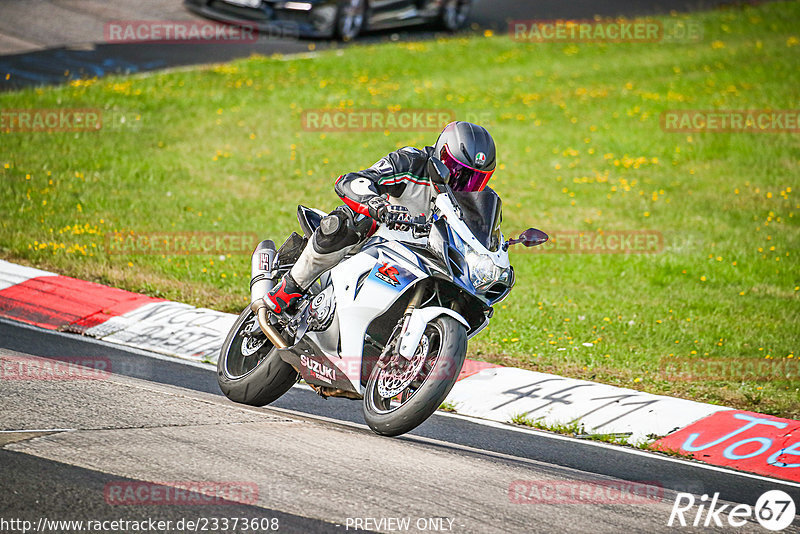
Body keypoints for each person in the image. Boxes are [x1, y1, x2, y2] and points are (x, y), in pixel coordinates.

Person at [264, 121, 497, 314]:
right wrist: (375, 204)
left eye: (473, 180)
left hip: (425, 262)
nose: (462, 184)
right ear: (442, 154)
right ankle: (289, 288)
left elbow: (481, 239)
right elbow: (356, 180)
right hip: (377, 241)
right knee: (350, 222)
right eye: (457, 172)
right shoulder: (412, 162)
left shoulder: (473, 204)